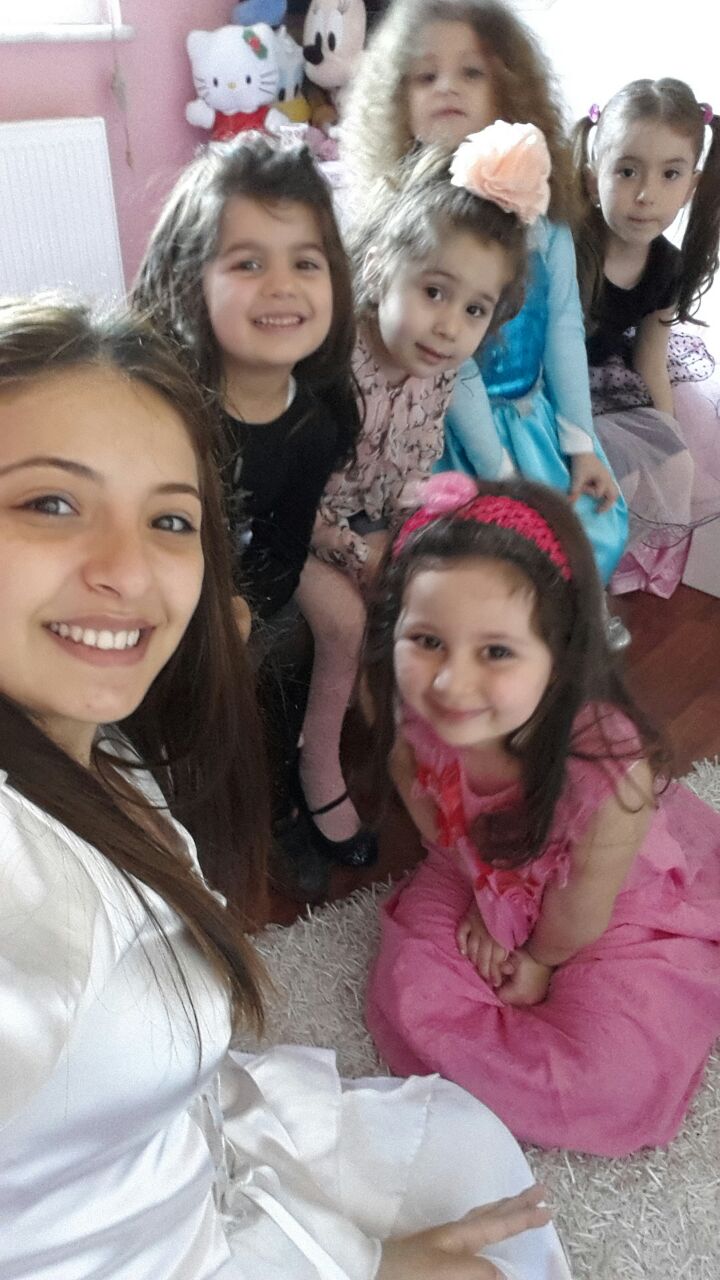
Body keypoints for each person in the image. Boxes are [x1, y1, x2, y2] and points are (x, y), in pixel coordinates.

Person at [0, 299, 572, 1280]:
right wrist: (367, 1268)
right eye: (52, 503)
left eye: (169, 520)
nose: (129, 571)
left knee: (469, 1152)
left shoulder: (101, 746)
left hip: (189, 1148)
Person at [362, 471, 720, 1157]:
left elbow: (582, 909)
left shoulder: (607, 771)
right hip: (474, 870)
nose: (451, 683)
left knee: (612, 1075)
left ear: (559, 657)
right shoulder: (415, 721)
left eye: (496, 652)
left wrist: (535, 958)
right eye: (427, 641)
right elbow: (441, 831)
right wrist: (486, 904)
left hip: (600, 911)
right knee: (409, 992)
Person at [132, 133, 369, 881]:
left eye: (306, 262)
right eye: (248, 262)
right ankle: (162, 819)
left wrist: (241, 610)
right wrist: (202, 614)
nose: (282, 286)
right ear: (190, 280)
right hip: (152, 581)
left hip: (246, 578)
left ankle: (284, 785)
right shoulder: (163, 409)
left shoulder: (318, 419)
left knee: (278, 650)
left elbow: (282, 540)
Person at [297, 123, 535, 864]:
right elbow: (290, 490)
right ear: (379, 267)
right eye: (435, 292)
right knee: (345, 620)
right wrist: (355, 549)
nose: (450, 327)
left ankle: (424, 751)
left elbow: (408, 467)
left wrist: (411, 534)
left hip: (363, 514)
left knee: (439, 591)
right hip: (290, 524)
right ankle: (317, 765)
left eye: (475, 310)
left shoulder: (437, 369)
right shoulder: (333, 361)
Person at [341, 0, 629, 609]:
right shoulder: (407, 228)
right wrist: (500, 474)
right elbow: (451, 364)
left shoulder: (544, 221)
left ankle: (557, 639)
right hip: (443, 433)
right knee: (492, 548)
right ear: (397, 99)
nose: (447, 87)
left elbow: (563, 325)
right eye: (426, 75)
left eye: (470, 72)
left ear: (509, 86)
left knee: (591, 525)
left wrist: (580, 442)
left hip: (529, 417)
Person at [573, 78, 720, 597]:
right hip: (555, 382)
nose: (645, 194)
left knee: (664, 463)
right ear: (594, 175)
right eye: (627, 170)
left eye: (670, 174)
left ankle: (597, 585)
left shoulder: (667, 267)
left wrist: (668, 433)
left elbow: (651, 358)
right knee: (600, 472)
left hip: (614, 379)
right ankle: (566, 582)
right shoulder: (572, 247)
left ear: (692, 185)